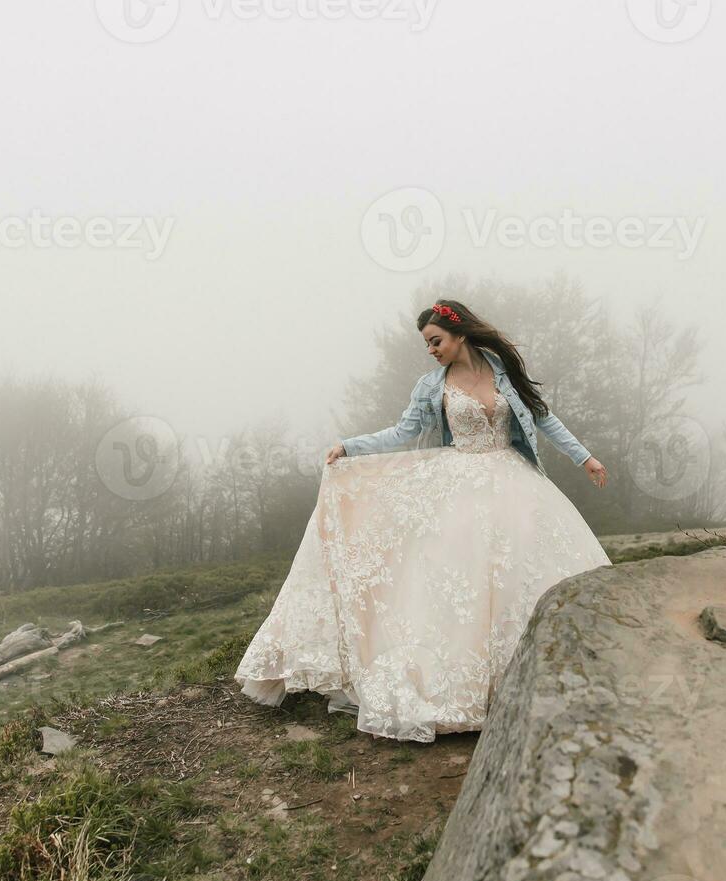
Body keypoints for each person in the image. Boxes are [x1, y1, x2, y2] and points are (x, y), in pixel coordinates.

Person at [234, 299, 612, 741]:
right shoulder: (432, 386)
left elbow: (544, 419)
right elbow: (404, 432)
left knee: (526, 569)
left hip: (515, 482)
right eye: (427, 344)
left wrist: (585, 458)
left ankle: (543, 670)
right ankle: (468, 686)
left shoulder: (502, 372)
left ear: (460, 336)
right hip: (462, 487)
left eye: (436, 341)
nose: (431, 350)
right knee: (461, 581)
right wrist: (350, 447)